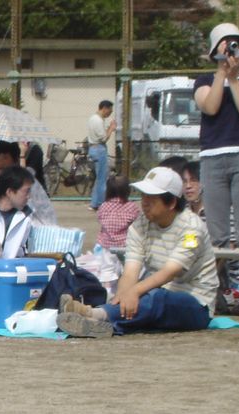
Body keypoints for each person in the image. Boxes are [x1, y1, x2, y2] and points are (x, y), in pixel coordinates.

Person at [57, 166, 217, 337]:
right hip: (154, 293)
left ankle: (95, 315)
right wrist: (122, 295)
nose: (144, 202)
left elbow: (170, 272)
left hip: (196, 304)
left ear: (171, 203)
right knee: (145, 297)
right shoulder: (140, 225)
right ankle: (97, 323)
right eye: (143, 196)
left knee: (156, 298)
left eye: (152, 198)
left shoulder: (191, 228)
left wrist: (134, 292)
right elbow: (131, 271)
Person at [194, 22, 239, 314]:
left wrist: (234, 79)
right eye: (225, 43)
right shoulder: (204, 80)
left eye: (235, 43)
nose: (231, 47)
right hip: (212, 157)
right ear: (214, 50)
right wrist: (222, 73)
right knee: (217, 233)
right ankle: (217, 292)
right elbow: (209, 107)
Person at [0, 140, 57, 225]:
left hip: (38, 224)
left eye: (5, 157)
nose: (1, 163)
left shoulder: (27, 182)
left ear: (15, 160)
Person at [0, 166, 39, 258]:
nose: (29, 196)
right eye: (26, 191)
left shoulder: (27, 215)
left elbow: (23, 250)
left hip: (11, 269)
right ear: (9, 192)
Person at [85, 100, 116, 210]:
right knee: (102, 178)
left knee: (99, 178)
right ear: (104, 108)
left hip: (93, 148)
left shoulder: (92, 118)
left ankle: (95, 203)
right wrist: (111, 129)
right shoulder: (98, 120)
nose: (110, 113)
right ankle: (101, 204)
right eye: (110, 110)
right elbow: (104, 138)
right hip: (99, 149)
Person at [95, 175, 140, 250]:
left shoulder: (103, 206)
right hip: (124, 246)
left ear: (108, 190)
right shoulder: (132, 207)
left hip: (104, 246)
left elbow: (99, 218)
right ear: (127, 191)